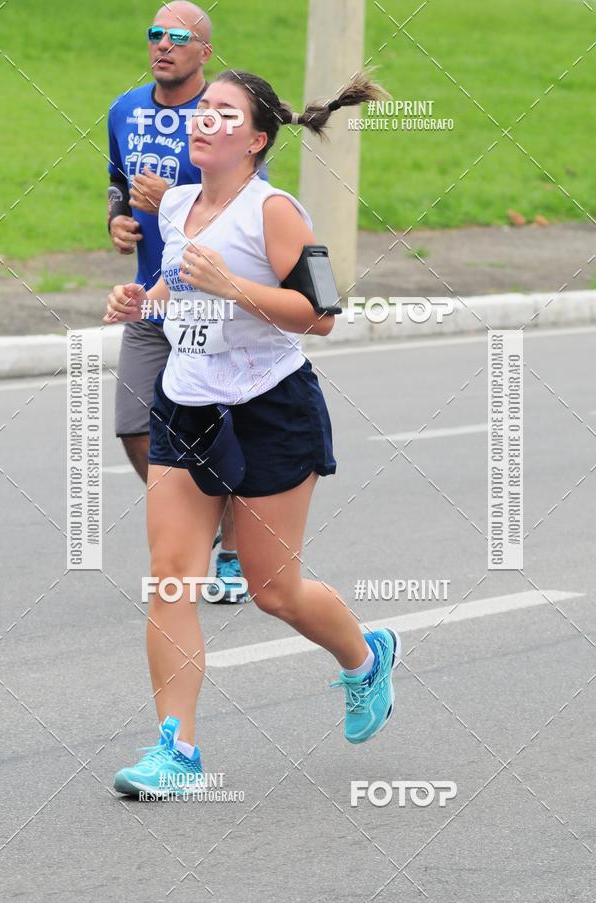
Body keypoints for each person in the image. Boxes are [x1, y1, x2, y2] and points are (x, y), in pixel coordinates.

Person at [105, 68, 400, 797]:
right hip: (188, 404)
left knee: (274, 588)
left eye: (223, 112)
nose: (204, 119)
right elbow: (178, 284)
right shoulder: (176, 204)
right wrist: (142, 299)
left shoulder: (276, 213)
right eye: (203, 109)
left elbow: (322, 313)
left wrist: (235, 287)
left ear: (257, 139)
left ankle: (366, 657)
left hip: (271, 405)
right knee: (172, 576)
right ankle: (178, 752)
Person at [107, 0, 251, 602]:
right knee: (135, 426)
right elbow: (116, 178)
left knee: (223, 431)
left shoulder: (219, 114)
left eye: (177, 37)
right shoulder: (125, 109)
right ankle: (204, 517)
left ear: (204, 53)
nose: (163, 45)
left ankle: (233, 553)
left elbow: (247, 192)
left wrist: (178, 196)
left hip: (209, 301)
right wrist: (117, 217)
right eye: (154, 35)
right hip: (151, 296)